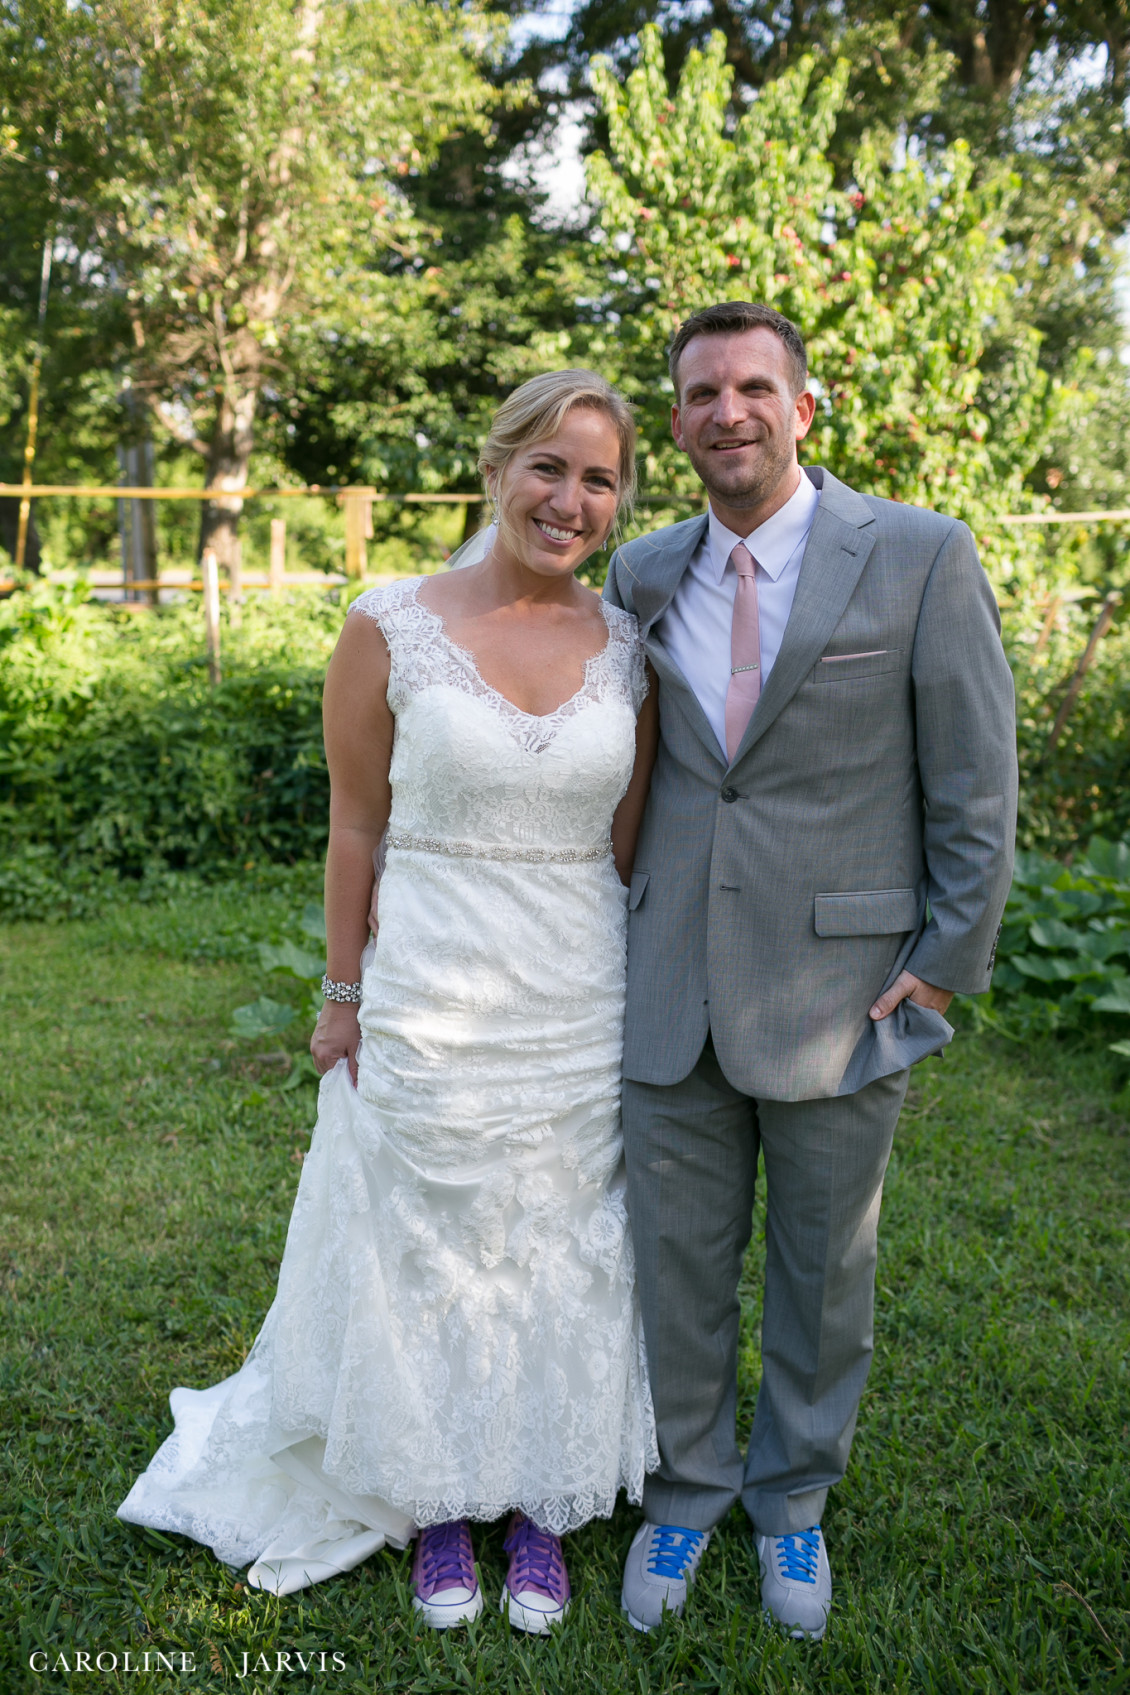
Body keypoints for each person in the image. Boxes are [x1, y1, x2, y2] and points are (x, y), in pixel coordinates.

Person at [118, 369, 659, 1633]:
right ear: (496, 467)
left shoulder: (629, 647)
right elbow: (355, 825)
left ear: (618, 501)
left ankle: (536, 1504)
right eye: (547, 466)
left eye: (597, 480)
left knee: (560, 1245)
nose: (568, 499)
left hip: (576, 997)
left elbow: (624, 848)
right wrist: (341, 995)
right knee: (421, 1241)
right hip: (426, 984)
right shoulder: (388, 623)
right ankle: (432, 1505)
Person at [605, 302, 1018, 1639]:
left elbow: (974, 780)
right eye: (699, 393)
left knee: (822, 1268)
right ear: (676, 422)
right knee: (673, 1262)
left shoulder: (915, 553)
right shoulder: (640, 573)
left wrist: (942, 965)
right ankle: (684, 1488)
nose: (725, 411)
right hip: (669, 974)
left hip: (844, 989)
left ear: (801, 407)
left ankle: (791, 1499)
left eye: (750, 387)